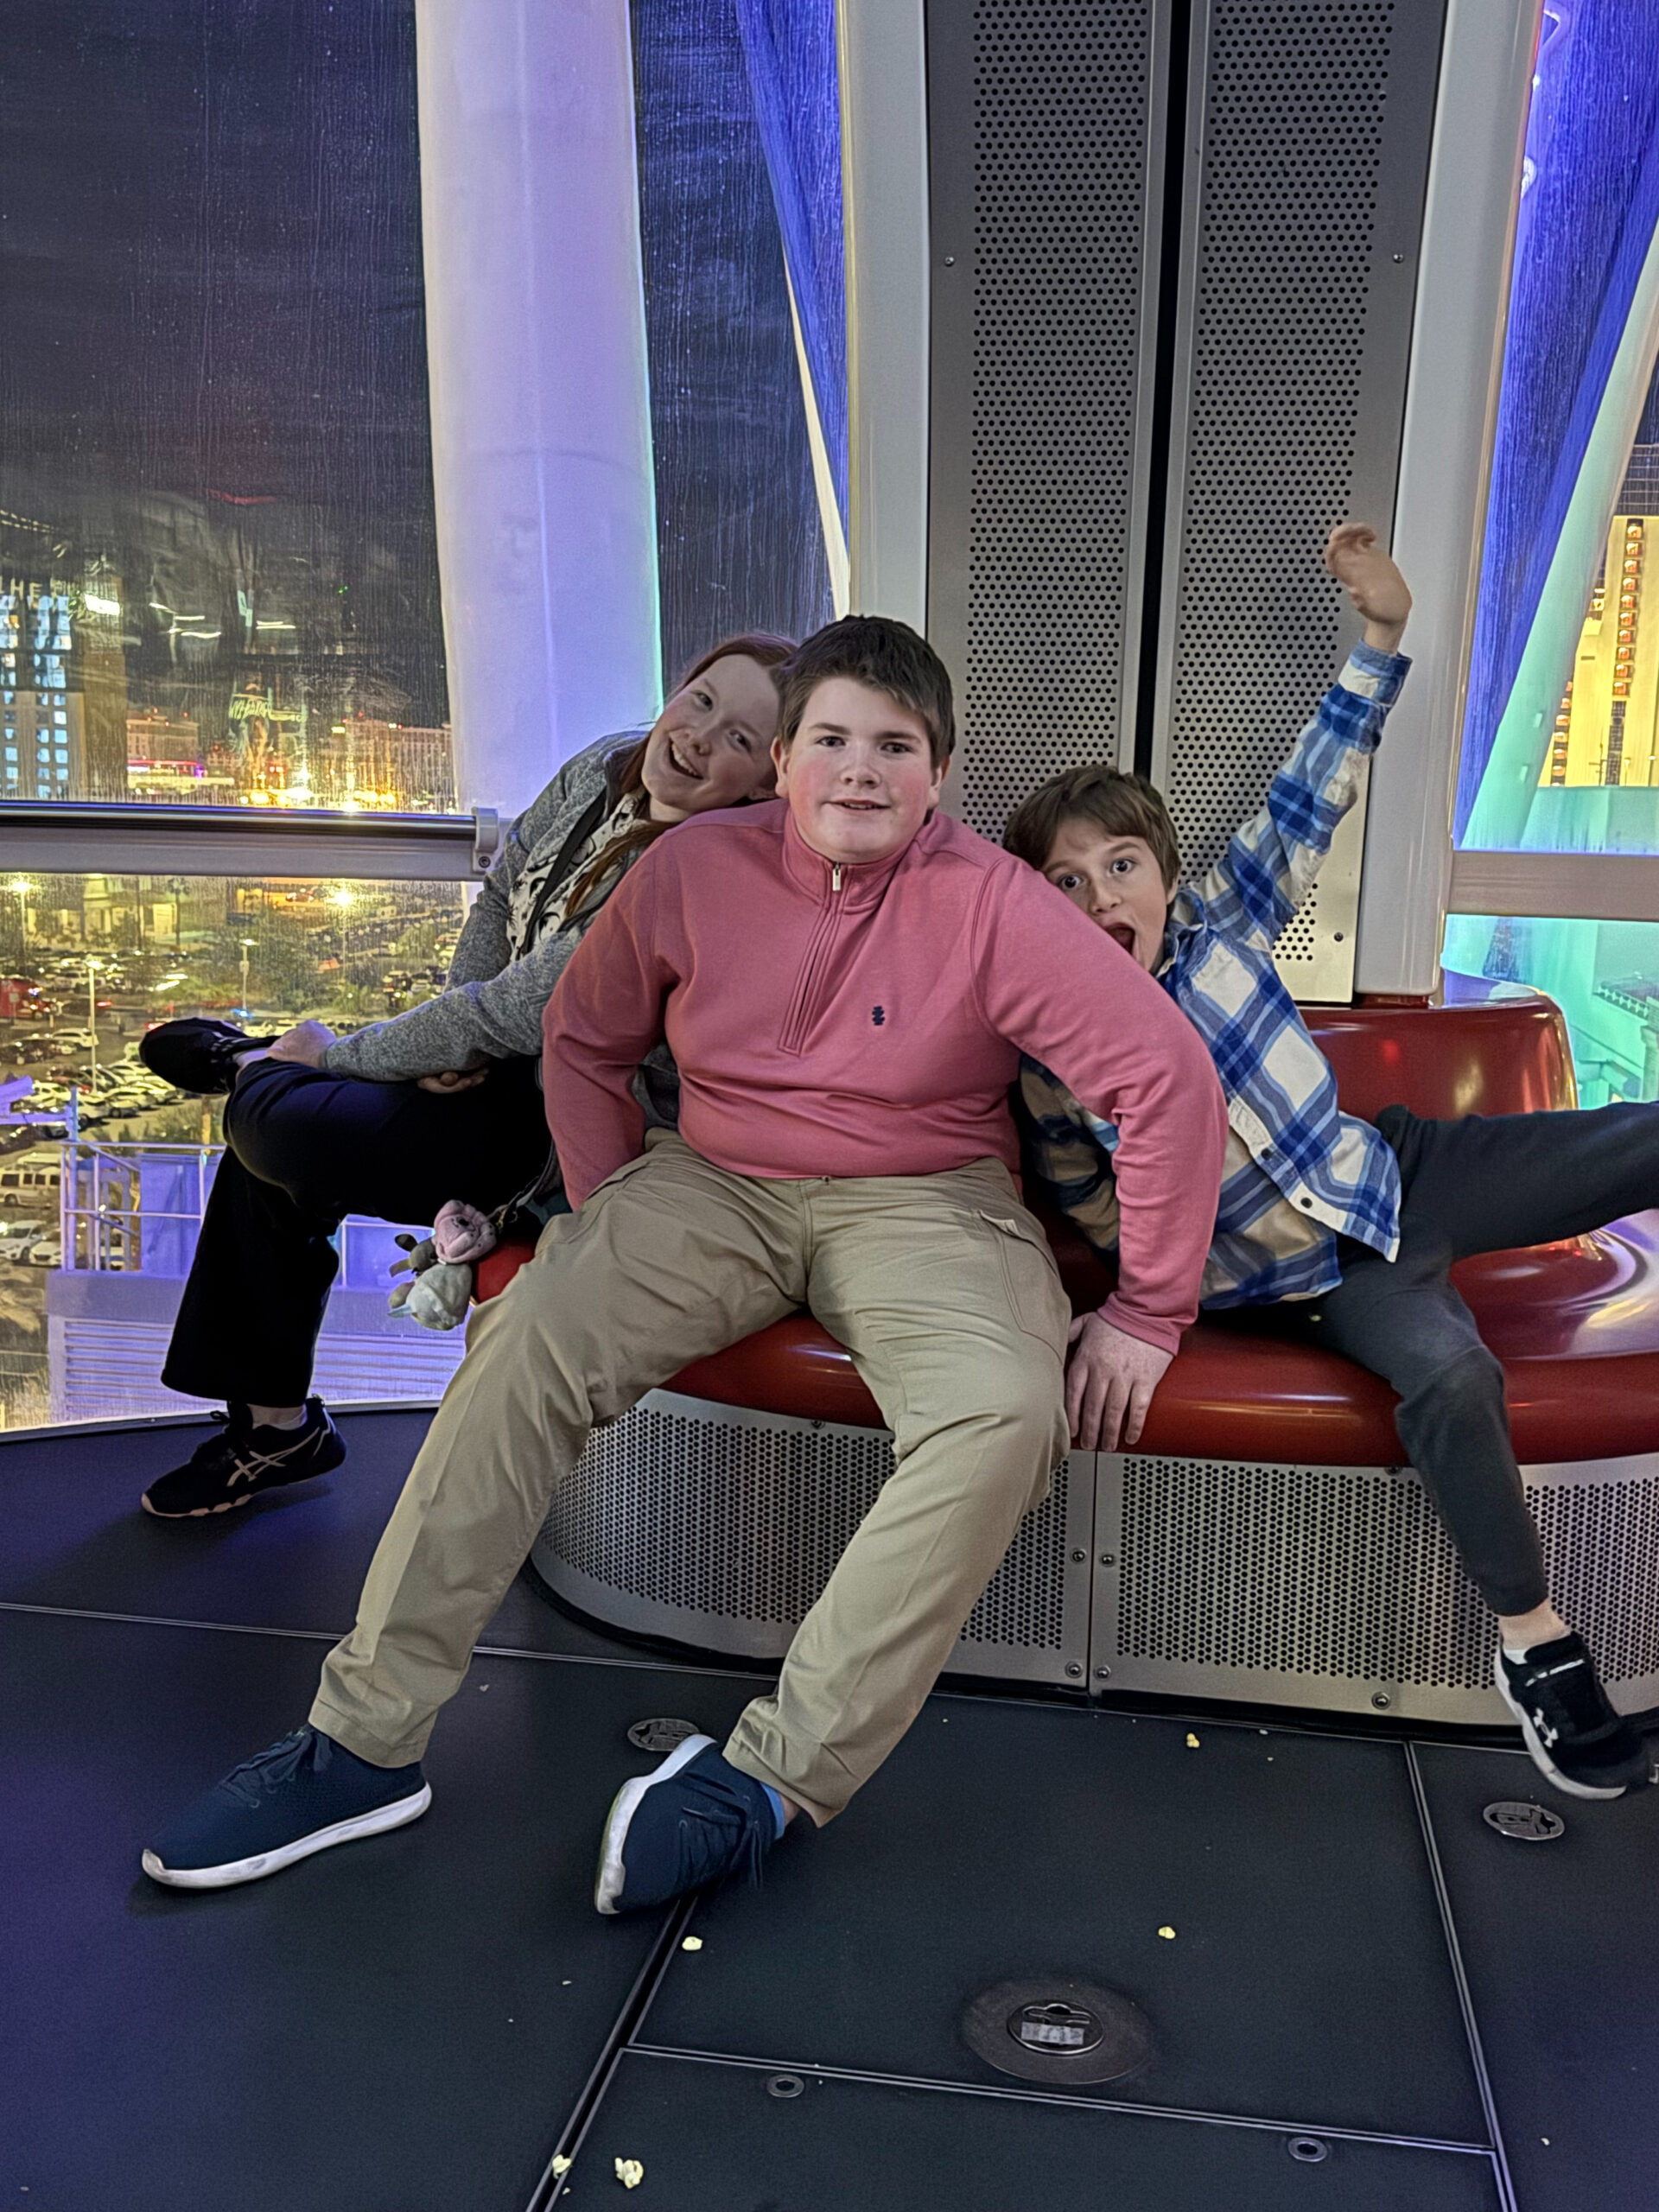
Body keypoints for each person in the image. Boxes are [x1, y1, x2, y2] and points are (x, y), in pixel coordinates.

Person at [140, 613, 1228, 1903]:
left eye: (895, 746)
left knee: (1002, 1413)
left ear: (938, 774)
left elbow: (1167, 1080)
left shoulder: (990, 903)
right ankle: (362, 1744)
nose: (860, 771)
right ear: (788, 761)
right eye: (831, 738)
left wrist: (1150, 1311)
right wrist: (608, 1215)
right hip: (710, 1180)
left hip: (927, 1200)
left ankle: (774, 1778)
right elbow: (589, 1043)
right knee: (529, 1336)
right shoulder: (695, 869)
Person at [1004, 522, 1653, 1803]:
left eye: (1119, 866)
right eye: (1065, 884)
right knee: (1456, 1379)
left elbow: (1315, 788)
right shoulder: (1048, 1065)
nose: (1098, 896)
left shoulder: (1222, 921)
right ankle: (1538, 1640)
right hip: (1321, 1280)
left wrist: (1381, 637)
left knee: (1638, 1140)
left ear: (1165, 876)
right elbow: (1103, 1223)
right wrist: (1138, 1306)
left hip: (1396, 1171)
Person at [137, 633, 791, 1520]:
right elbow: (500, 896)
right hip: (493, 1078)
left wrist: (343, 1051)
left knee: (279, 1125)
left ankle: (248, 1061)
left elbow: (527, 1010)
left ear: (763, 782)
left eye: (742, 739)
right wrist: (451, 1047)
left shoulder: (698, 873)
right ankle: (273, 1429)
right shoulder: (604, 768)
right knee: (275, 1141)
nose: (701, 736)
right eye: (704, 700)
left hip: (555, 1128)